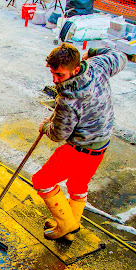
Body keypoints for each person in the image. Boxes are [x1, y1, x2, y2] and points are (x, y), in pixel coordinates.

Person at [32, 43, 127, 240]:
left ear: (76, 69)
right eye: (53, 73)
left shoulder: (68, 100)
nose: (55, 80)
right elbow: (120, 56)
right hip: (101, 142)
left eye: (60, 75)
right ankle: (71, 228)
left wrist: (45, 127)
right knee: (78, 185)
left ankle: (66, 225)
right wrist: (92, 51)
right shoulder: (97, 65)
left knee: (42, 181)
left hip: (79, 148)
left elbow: (59, 134)